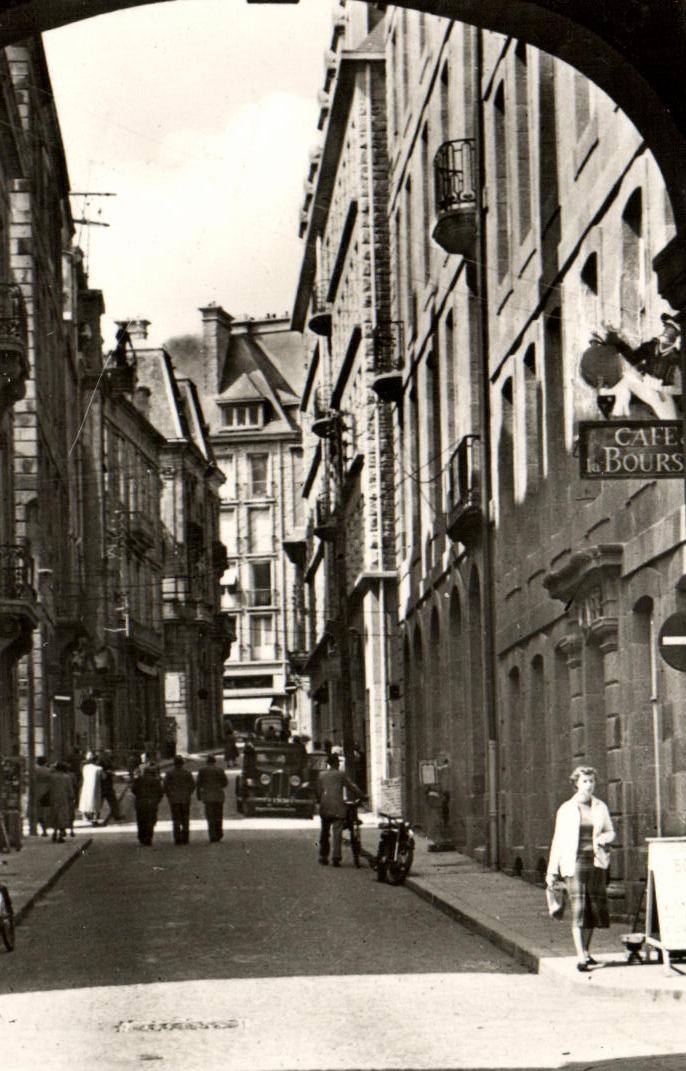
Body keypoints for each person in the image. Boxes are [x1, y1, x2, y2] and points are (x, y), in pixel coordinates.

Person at [546, 765, 615, 971]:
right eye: (585, 781)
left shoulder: (600, 807)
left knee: (592, 910)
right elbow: (557, 841)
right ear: (576, 783)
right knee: (579, 909)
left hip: (596, 861)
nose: (589, 785)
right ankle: (580, 956)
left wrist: (603, 838)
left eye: (592, 781)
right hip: (574, 862)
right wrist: (551, 871)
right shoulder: (566, 809)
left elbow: (611, 831)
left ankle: (586, 951)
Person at [315, 752, 363, 867]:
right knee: (337, 832)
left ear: (328, 764)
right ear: (336, 763)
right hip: (338, 807)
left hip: (325, 807)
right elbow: (352, 787)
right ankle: (336, 857)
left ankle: (323, 856)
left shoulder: (321, 775)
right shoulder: (341, 775)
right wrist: (362, 796)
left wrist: (321, 800)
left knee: (325, 831)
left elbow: (318, 791)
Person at [163, 755, 196, 845]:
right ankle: (185, 838)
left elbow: (165, 786)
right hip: (185, 799)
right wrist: (188, 793)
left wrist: (169, 795)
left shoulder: (169, 773)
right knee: (185, 819)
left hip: (174, 800)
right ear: (182, 763)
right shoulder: (187, 773)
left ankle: (177, 839)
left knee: (176, 819)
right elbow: (193, 785)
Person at [196, 754, 228, 842]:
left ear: (207, 762)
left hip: (208, 797)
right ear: (214, 762)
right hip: (218, 797)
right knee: (218, 816)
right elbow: (225, 782)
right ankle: (219, 833)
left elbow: (198, 784)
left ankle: (212, 835)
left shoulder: (202, 771)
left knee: (210, 817)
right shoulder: (220, 770)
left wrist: (199, 795)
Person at [131, 764, 164, 846]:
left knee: (141, 821)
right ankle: (149, 837)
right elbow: (160, 793)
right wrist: (156, 801)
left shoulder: (139, 779)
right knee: (151, 821)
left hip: (141, 804)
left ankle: (142, 837)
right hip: (151, 803)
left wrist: (139, 796)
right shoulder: (155, 781)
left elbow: (133, 790)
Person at [49, 761, 75, 844]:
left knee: (54, 814)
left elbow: (49, 787)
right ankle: (60, 834)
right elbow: (70, 789)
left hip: (53, 798)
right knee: (63, 815)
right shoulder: (66, 777)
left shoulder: (51, 777)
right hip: (64, 799)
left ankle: (54, 832)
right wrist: (72, 797)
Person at [78, 751, 103, 825]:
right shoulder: (99, 768)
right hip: (95, 787)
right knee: (95, 802)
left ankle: (85, 816)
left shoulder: (85, 767)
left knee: (85, 801)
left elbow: (82, 774)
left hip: (86, 786)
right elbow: (103, 777)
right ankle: (94, 819)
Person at [99, 750, 121, 825]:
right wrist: (107, 772)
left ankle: (116, 815)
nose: (110, 755)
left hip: (108, 784)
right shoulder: (101, 762)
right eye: (108, 754)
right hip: (103, 784)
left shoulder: (108, 761)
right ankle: (96, 816)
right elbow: (100, 771)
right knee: (102, 801)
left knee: (112, 801)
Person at [35, 756, 52, 836]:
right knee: (45, 812)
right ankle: (44, 830)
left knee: (38, 812)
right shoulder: (49, 771)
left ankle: (37, 828)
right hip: (47, 792)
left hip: (36, 792)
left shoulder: (35, 770)